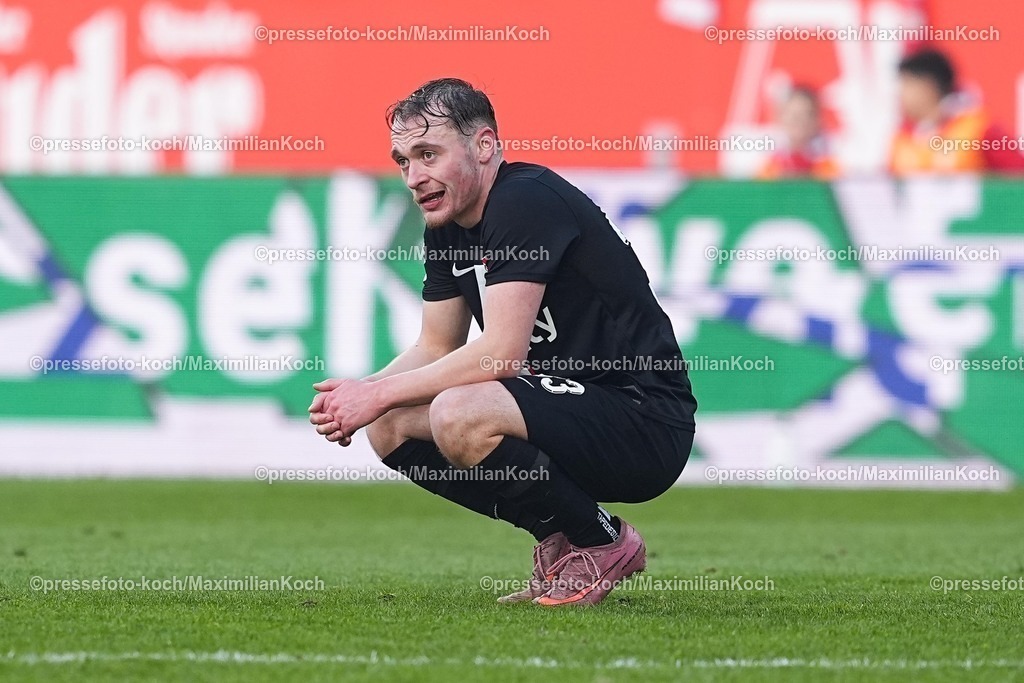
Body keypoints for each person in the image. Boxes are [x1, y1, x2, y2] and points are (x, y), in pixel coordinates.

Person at [308, 78, 697, 607]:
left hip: (644, 421)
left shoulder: (524, 199)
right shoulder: (446, 226)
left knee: (457, 413)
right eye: (403, 161)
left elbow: (501, 354)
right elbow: (437, 346)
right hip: (566, 410)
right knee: (390, 423)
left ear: (485, 145)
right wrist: (360, 395)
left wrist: (376, 393)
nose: (414, 177)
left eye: (428, 154)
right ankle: (563, 540)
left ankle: (602, 543)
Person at [890, 48, 1024, 174]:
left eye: (907, 84)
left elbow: (1017, 179)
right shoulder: (902, 137)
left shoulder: (978, 130)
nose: (900, 94)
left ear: (929, 86)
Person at [759, 86, 839, 179]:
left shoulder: (829, 163)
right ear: (780, 118)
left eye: (806, 115)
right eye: (793, 115)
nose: (799, 121)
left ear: (817, 120)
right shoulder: (770, 165)